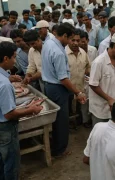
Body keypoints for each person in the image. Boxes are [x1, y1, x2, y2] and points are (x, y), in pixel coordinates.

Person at [0, 41, 43, 180]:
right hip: (3, 128)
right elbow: (9, 114)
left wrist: (10, 78)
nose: (15, 60)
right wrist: (31, 110)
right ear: (6, 58)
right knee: (11, 158)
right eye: (14, 57)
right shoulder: (3, 85)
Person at [42, 23, 86, 157]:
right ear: (65, 36)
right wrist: (77, 92)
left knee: (57, 120)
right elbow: (63, 78)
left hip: (49, 85)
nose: (72, 42)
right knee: (61, 121)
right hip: (58, 88)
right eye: (71, 38)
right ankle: (60, 150)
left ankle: (56, 145)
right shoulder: (58, 52)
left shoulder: (49, 42)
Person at [66, 29, 91, 125]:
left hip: (80, 88)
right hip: (67, 89)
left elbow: (88, 67)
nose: (76, 43)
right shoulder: (63, 53)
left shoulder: (83, 53)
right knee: (67, 111)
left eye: (78, 40)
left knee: (79, 109)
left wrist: (88, 73)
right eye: (73, 40)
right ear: (68, 40)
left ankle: (79, 123)